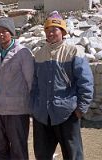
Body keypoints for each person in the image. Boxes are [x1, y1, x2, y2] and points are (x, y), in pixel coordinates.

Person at [32, 11, 94, 160]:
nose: (51, 33)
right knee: (42, 155)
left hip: (67, 114)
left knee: (73, 155)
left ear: (63, 31)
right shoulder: (39, 55)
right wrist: (34, 107)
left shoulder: (74, 52)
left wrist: (81, 108)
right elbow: (34, 85)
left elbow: (86, 82)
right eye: (48, 29)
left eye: (55, 29)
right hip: (42, 115)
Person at [0, 17, 34, 160]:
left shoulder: (23, 53)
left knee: (18, 149)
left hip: (17, 111)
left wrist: (32, 107)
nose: (1, 34)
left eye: (5, 31)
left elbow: (31, 81)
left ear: (12, 33)